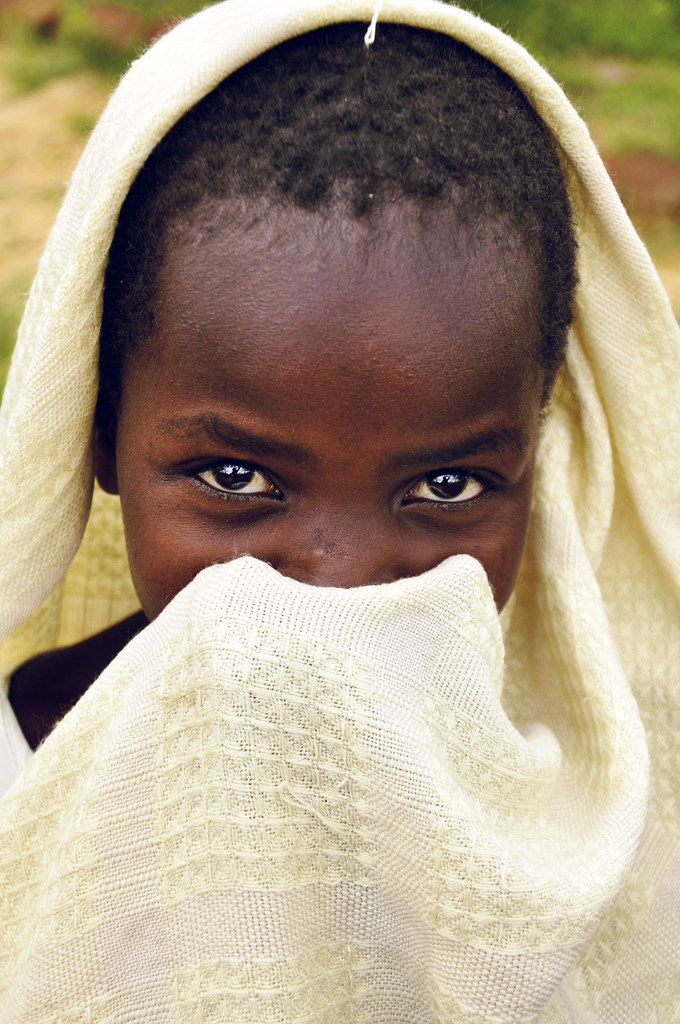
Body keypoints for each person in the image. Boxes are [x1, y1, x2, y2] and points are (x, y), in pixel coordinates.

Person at [0, 1, 677, 1020]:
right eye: (236, 478)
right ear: (94, 434)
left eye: (444, 487)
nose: (338, 574)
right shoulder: (19, 781)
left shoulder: (593, 837)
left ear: (538, 465)